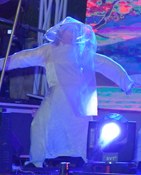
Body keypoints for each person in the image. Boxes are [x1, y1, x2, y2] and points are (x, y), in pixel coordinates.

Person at [0, 17, 133, 166]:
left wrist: (125, 82)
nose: (73, 34)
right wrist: (1, 64)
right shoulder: (47, 50)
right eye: (70, 31)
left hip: (77, 98)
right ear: (61, 33)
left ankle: (84, 161)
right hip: (56, 95)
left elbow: (104, 63)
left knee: (80, 130)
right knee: (40, 125)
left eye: (75, 32)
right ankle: (37, 161)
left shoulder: (80, 52)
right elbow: (22, 58)